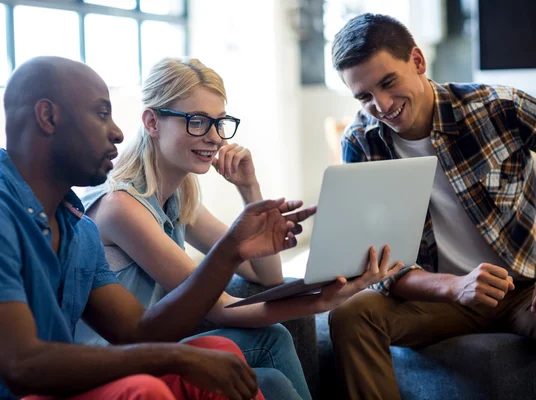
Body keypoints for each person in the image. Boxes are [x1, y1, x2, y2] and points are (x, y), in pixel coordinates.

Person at [0, 56, 319, 400]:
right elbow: (21, 365)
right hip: (21, 388)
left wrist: (233, 246)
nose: (118, 132)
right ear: (48, 117)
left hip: (67, 381)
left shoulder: (77, 229)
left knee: (221, 352)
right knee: (145, 388)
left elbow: (139, 331)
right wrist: (177, 355)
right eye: (102, 114)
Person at [73, 57, 404, 400]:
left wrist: (249, 187)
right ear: (152, 122)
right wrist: (320, 303)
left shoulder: (178, 199)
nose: (215, 138)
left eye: (220, 123)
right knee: (272, 381)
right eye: (197, 121)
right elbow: (219, 306)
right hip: (109, 361)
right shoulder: (121, 207)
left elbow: (268, 276)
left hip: (152, 345)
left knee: (273, 337)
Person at [328, 13, 536, 400]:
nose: (382, 105)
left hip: (524, 287)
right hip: (441, 297)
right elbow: (377, 264)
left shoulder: (501, 107)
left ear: (418, 62)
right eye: (365, 96)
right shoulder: (361, 143)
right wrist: (454, 287)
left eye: (388, 83)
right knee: (352, 314)